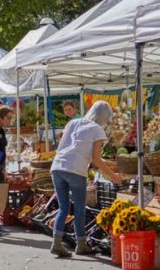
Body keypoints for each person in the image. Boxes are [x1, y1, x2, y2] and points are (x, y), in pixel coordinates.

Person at [49, 101, 123, 257]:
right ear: (104, 117)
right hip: (75, 169)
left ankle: (56, 243)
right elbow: (96, 159)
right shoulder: (97, 130)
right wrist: (113, 175)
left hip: (57, 167)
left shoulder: (73, 122)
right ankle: (81, 244)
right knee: (79, 208)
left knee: (63, 208)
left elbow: (62, 145)